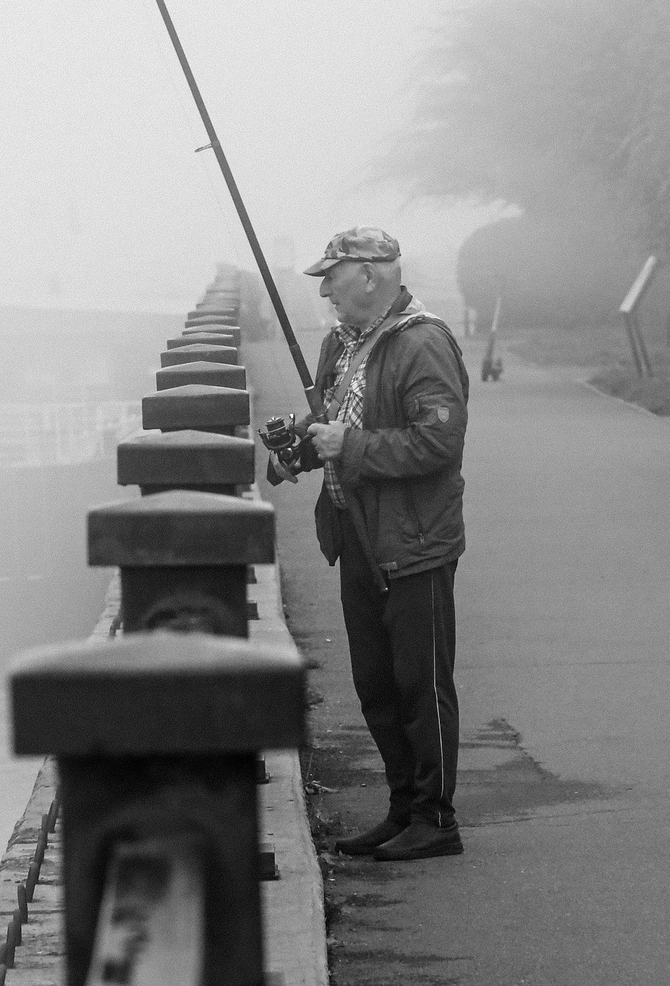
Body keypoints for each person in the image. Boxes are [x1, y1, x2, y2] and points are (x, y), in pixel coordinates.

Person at [262, 228, 468, 863]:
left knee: (421, 683)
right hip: (357, 534)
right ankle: (403, 808)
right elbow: (338, 420)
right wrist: (298, 445)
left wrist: (346, 447)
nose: (323, 288)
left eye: (333, 274)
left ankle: (436, 818)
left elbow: (439, 443)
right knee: (376, 683)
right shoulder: (339, 345)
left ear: (372, 276)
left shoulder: (423, 343)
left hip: (414, 540)